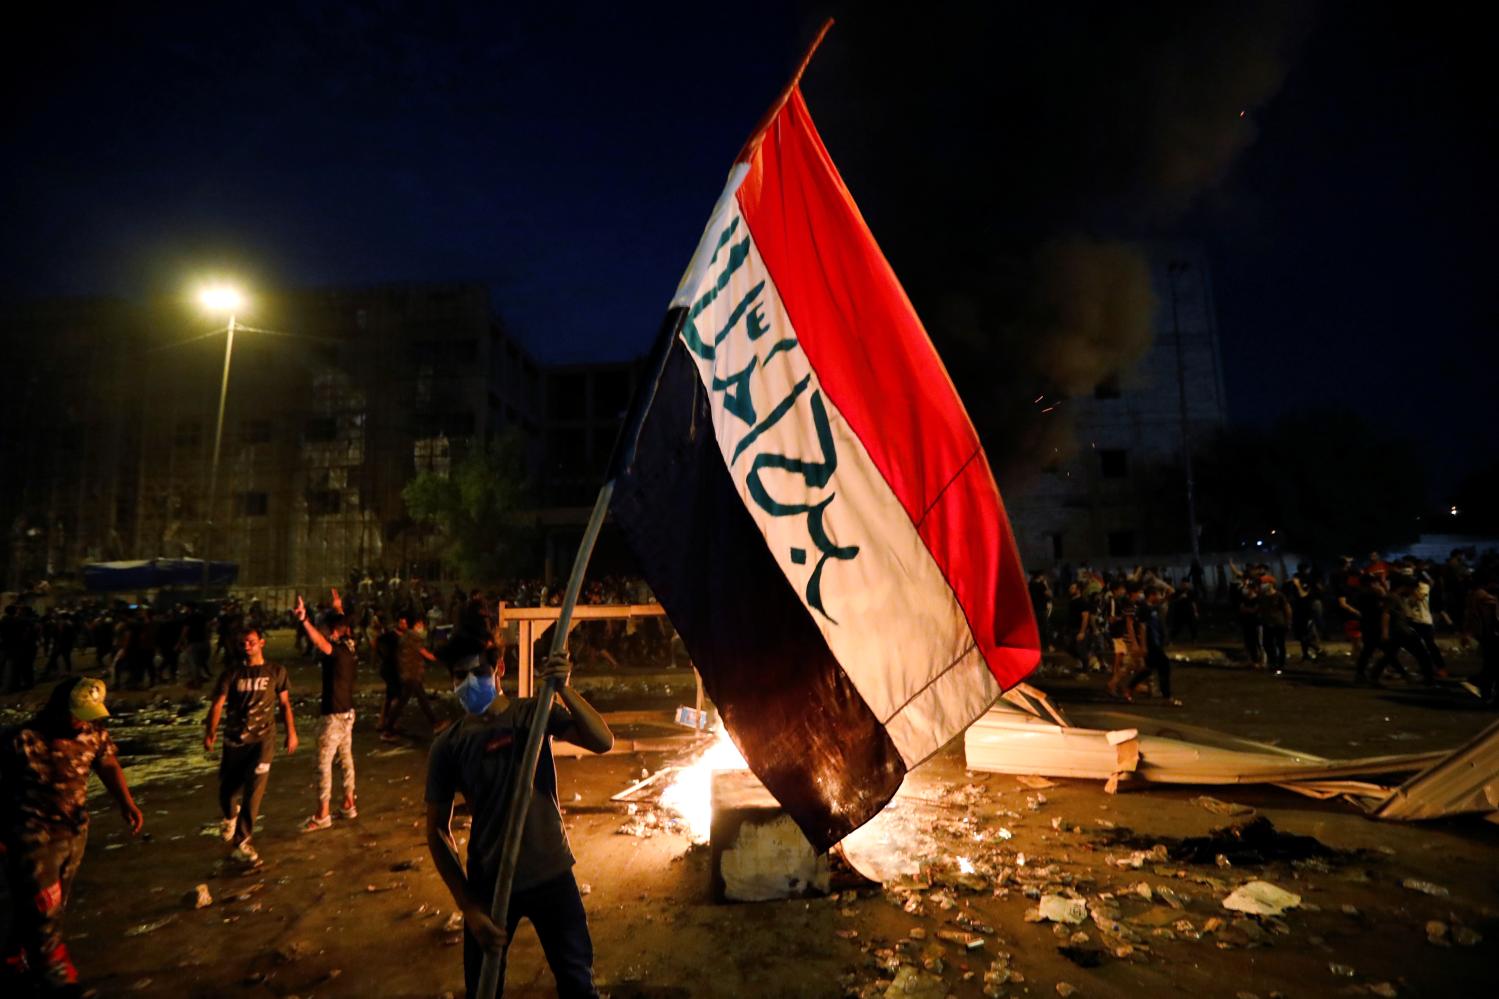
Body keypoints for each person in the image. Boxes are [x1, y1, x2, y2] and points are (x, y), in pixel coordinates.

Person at [426, 651, 613, 998]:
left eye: (477, 671)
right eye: (459, 676)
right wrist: (468, 908)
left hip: (551, 872)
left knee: (577, 982)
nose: (469, 682)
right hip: (490, 884)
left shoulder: (532, 714)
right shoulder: (448, 745)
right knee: (484, 988)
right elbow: (437, 830)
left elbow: (602, 741)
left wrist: (564, 690)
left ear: (499, 668)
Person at [1, 677, 143, 995]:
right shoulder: (21, 739)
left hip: (74, 832)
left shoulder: (94, 734)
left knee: (47, 905)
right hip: (31, 836)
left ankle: (14, 959)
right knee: (44, 908)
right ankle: (59, 980)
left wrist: (126, 803)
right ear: (58, 707)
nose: (82, 722)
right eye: (77, 714)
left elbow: (107, 764)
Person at [204, 627, 299, 867]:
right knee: (227, 791)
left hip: (264, 741)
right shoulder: (231, 674)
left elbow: (285, 704)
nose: (246, 646)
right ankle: (230, 817)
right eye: (242, 643)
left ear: (262, 643)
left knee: (254, 791)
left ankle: (242, 842)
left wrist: (292, 732)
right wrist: (210, 732)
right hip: (235, 741)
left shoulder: (276, 672)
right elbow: (218, 704)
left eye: (251, 642)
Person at [294, 590, 359, 831]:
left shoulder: (336, 651)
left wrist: (304, 621)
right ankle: (348, 803)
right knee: (345, 759)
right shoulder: (350, 646)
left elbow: (320, 642)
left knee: (323, 763)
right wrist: (338, 608)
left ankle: (322, 814)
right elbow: (341, 626)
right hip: (348, 713)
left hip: (333, 716)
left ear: (332, 632)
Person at [1258, 579, 1292, 673]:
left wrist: (1288, 622)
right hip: (1267, 624)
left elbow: (1287, 609)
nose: (1262, 585)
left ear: (1271, 584)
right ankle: (1273, 662)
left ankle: (1281, 663)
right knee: (1267, 644)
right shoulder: (1262, 596)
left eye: (1265, 583)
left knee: (1280, 644)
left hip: (1279, 624)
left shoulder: (1279, 596)